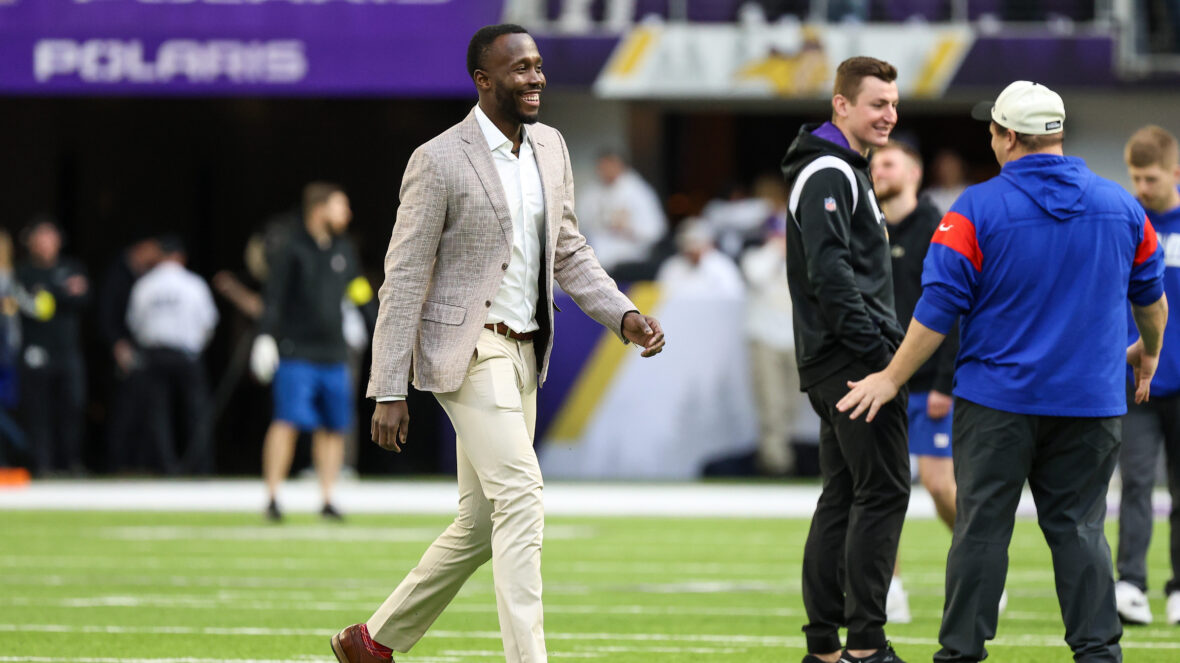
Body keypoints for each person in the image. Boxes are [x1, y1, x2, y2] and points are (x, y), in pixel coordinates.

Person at [330, 24, 666, 663]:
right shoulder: (437, 159)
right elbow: (402, 280)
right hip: (466, 351)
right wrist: (388, 387)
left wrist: (623, 315)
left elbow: (567, 250)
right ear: (483, 80)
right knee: (521, 496)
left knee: (481, 523)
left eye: (538, 66)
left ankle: (373, 642)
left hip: (524, 356)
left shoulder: (552, 147)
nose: (535, 77)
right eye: (519, 69)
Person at [838, 80, 1168, 663]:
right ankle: (1098, 655)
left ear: (1008, 136)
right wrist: (1149, 350)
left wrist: (891, 377)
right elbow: (1152, 296)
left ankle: (961, 654)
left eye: (992, 130)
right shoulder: (1123, 206)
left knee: (983, 530)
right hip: (1090, 403)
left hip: (998, 402)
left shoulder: (975, 208)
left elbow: (936, 309)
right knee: (1081, 531)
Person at [781, 56, 908, 663]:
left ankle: (825, 647)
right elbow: (831, 277)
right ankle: (865, 647)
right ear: (841, 105)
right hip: (854, 363)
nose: (890, 114)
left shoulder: (837, 168)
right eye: (877, 103)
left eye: (893, 103)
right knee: (881, 493)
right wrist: (882, 360)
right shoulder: (830, 170)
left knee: (844, 493)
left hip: (838, 361)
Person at [870, 140, 964, 623]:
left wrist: (946, 383)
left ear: (913, 171)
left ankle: (978, 567)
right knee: (882, 490)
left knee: (939, 486)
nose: (878, 170)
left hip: (929, 383)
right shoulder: (867, 228)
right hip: (880, 380)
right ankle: (891, 589)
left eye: (887, 163)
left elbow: (954, 309)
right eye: (874, 163)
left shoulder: (939, 228)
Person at [250, 182, 371, 521]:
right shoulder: (291, 247)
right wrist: (264, 337)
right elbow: (273, 297)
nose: (346, 214)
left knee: (334, 426)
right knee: (287, 421)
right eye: (340, 206)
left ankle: (327, 496)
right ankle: (273, 496)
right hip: (296, 351)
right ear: (320, 209)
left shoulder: (344, 249)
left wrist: (378, 326)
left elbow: (359, 290)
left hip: (334, 353)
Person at [1115, 124, 1180, 626]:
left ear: (1174, 173)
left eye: (1150, 177)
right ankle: (1130, 584)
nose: (1141, 187)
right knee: (1134, 483)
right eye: (1135, 177)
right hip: (1134, 377)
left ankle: (1179, 588)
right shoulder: (1123, 222)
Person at [126, 236, 220, 474]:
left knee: (158, 414)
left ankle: (165, 466)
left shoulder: (145, 284)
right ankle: (201, 467)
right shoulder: (194, 283)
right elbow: (209, 322)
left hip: (154, 354)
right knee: (196, 412)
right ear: (181, 257)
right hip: (187, 354)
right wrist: (197, 347)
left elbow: (135, 323)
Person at [15, 218, 89, 476]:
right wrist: (61, 293)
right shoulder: (23, 272)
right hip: (36, 352)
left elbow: (82, 298)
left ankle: (70, 462)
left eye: (50, 237)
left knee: (73, 406)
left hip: (68, 352)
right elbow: (33, 307)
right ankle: (42, 465)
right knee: (39, 411)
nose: (45, 243)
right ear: (32, 243)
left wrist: (52, 293)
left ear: (58, 241)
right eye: (40, 238)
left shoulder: (71, 267)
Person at [740, 211, 798, 476]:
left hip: (794, 341)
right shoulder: (756, 258)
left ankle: (784, 459)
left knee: (790, 405)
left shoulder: (800, 259)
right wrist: (775, 249)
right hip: (765, 339)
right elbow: (757, 276)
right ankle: (776, 465)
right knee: (771, 404)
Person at [98, 236, 163, 472]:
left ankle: (140, 462)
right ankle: (117, 463)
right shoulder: (118, 275)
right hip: (123, 351)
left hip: (143, 351)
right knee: (123, 410)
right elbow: (108, 314)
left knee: (146, 410)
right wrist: (117, 343)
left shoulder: (146, 275)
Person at [578, 149, 667, 273]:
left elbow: (656, 230)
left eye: (609, 165)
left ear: (620, 165)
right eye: (602, 166)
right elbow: (581, 225)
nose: (605, 170)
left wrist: (628, 227)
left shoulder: (638, 191)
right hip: (596, 261)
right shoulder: (591, 192)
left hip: (630, 261)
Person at [655, 217, 745, 298]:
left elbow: (733, 295)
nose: (692, 250)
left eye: (696, 243)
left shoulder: (722, 265)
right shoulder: (672, 266)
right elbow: (660, 295)